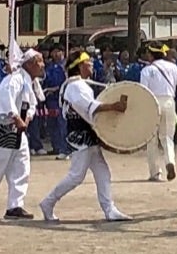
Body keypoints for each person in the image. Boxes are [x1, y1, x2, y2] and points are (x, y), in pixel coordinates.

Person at [38, 53, 132, 222]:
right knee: (76, 176)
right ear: (80, 66)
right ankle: (48, 202)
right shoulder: (75, 87)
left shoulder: (80, 85)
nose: (91, 64)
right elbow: (88, 107)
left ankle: (109, 209)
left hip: (88, 134)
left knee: (102, 171)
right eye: (88, 62)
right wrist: (113, 106)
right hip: (80, 135)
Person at [0, 49, 45, 220]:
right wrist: (15, 117)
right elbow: (6, 99)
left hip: (18, 132)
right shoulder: (13, 79)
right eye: (39, 61)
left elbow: (32, 104)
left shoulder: (29, 82)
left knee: (22, 168)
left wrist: (26, 118)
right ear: (29, 64)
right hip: (2, 131)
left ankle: (15, 206)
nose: (43, 65)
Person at [139, 44, 177, 181]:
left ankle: (155, 172)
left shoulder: (147, 70)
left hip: (152, 103)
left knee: (151, 140)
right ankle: (170, 162)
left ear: (151, 55)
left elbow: (144, 91)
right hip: (169, 102)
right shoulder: (173, 68)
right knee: (167, 137)